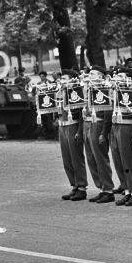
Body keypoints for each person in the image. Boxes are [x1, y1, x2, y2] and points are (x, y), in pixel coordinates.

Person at [109, 68, 132, 207]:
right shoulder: (116, 91)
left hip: (127, 127)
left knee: (128, 161)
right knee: (118, 161)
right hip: (115, 127)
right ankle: (127, 190)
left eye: (121, 76)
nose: (117, 78)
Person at [82, 66, 115, 203]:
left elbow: (108, 113)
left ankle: (108, 189)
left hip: (99, 123)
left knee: (100, 158)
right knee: (91, 158)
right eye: (90, 74)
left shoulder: (104, 90)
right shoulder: (88, 89)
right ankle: (101, 187)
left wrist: (104, 132)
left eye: (94, 74)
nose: (90, 76)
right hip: (88, 123)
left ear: (101, 77)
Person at [55, 69, 87, 201]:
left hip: (73, 125)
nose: (62, 81)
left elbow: (81, 114)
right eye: (61, 79)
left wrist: (80, 131)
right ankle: (74, 184)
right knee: (67, 158)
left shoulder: (76, 93)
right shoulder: (60, 92)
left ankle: (81, 187)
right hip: (62, 126)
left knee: (76, 158)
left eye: (65, 79)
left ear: (73, 80)